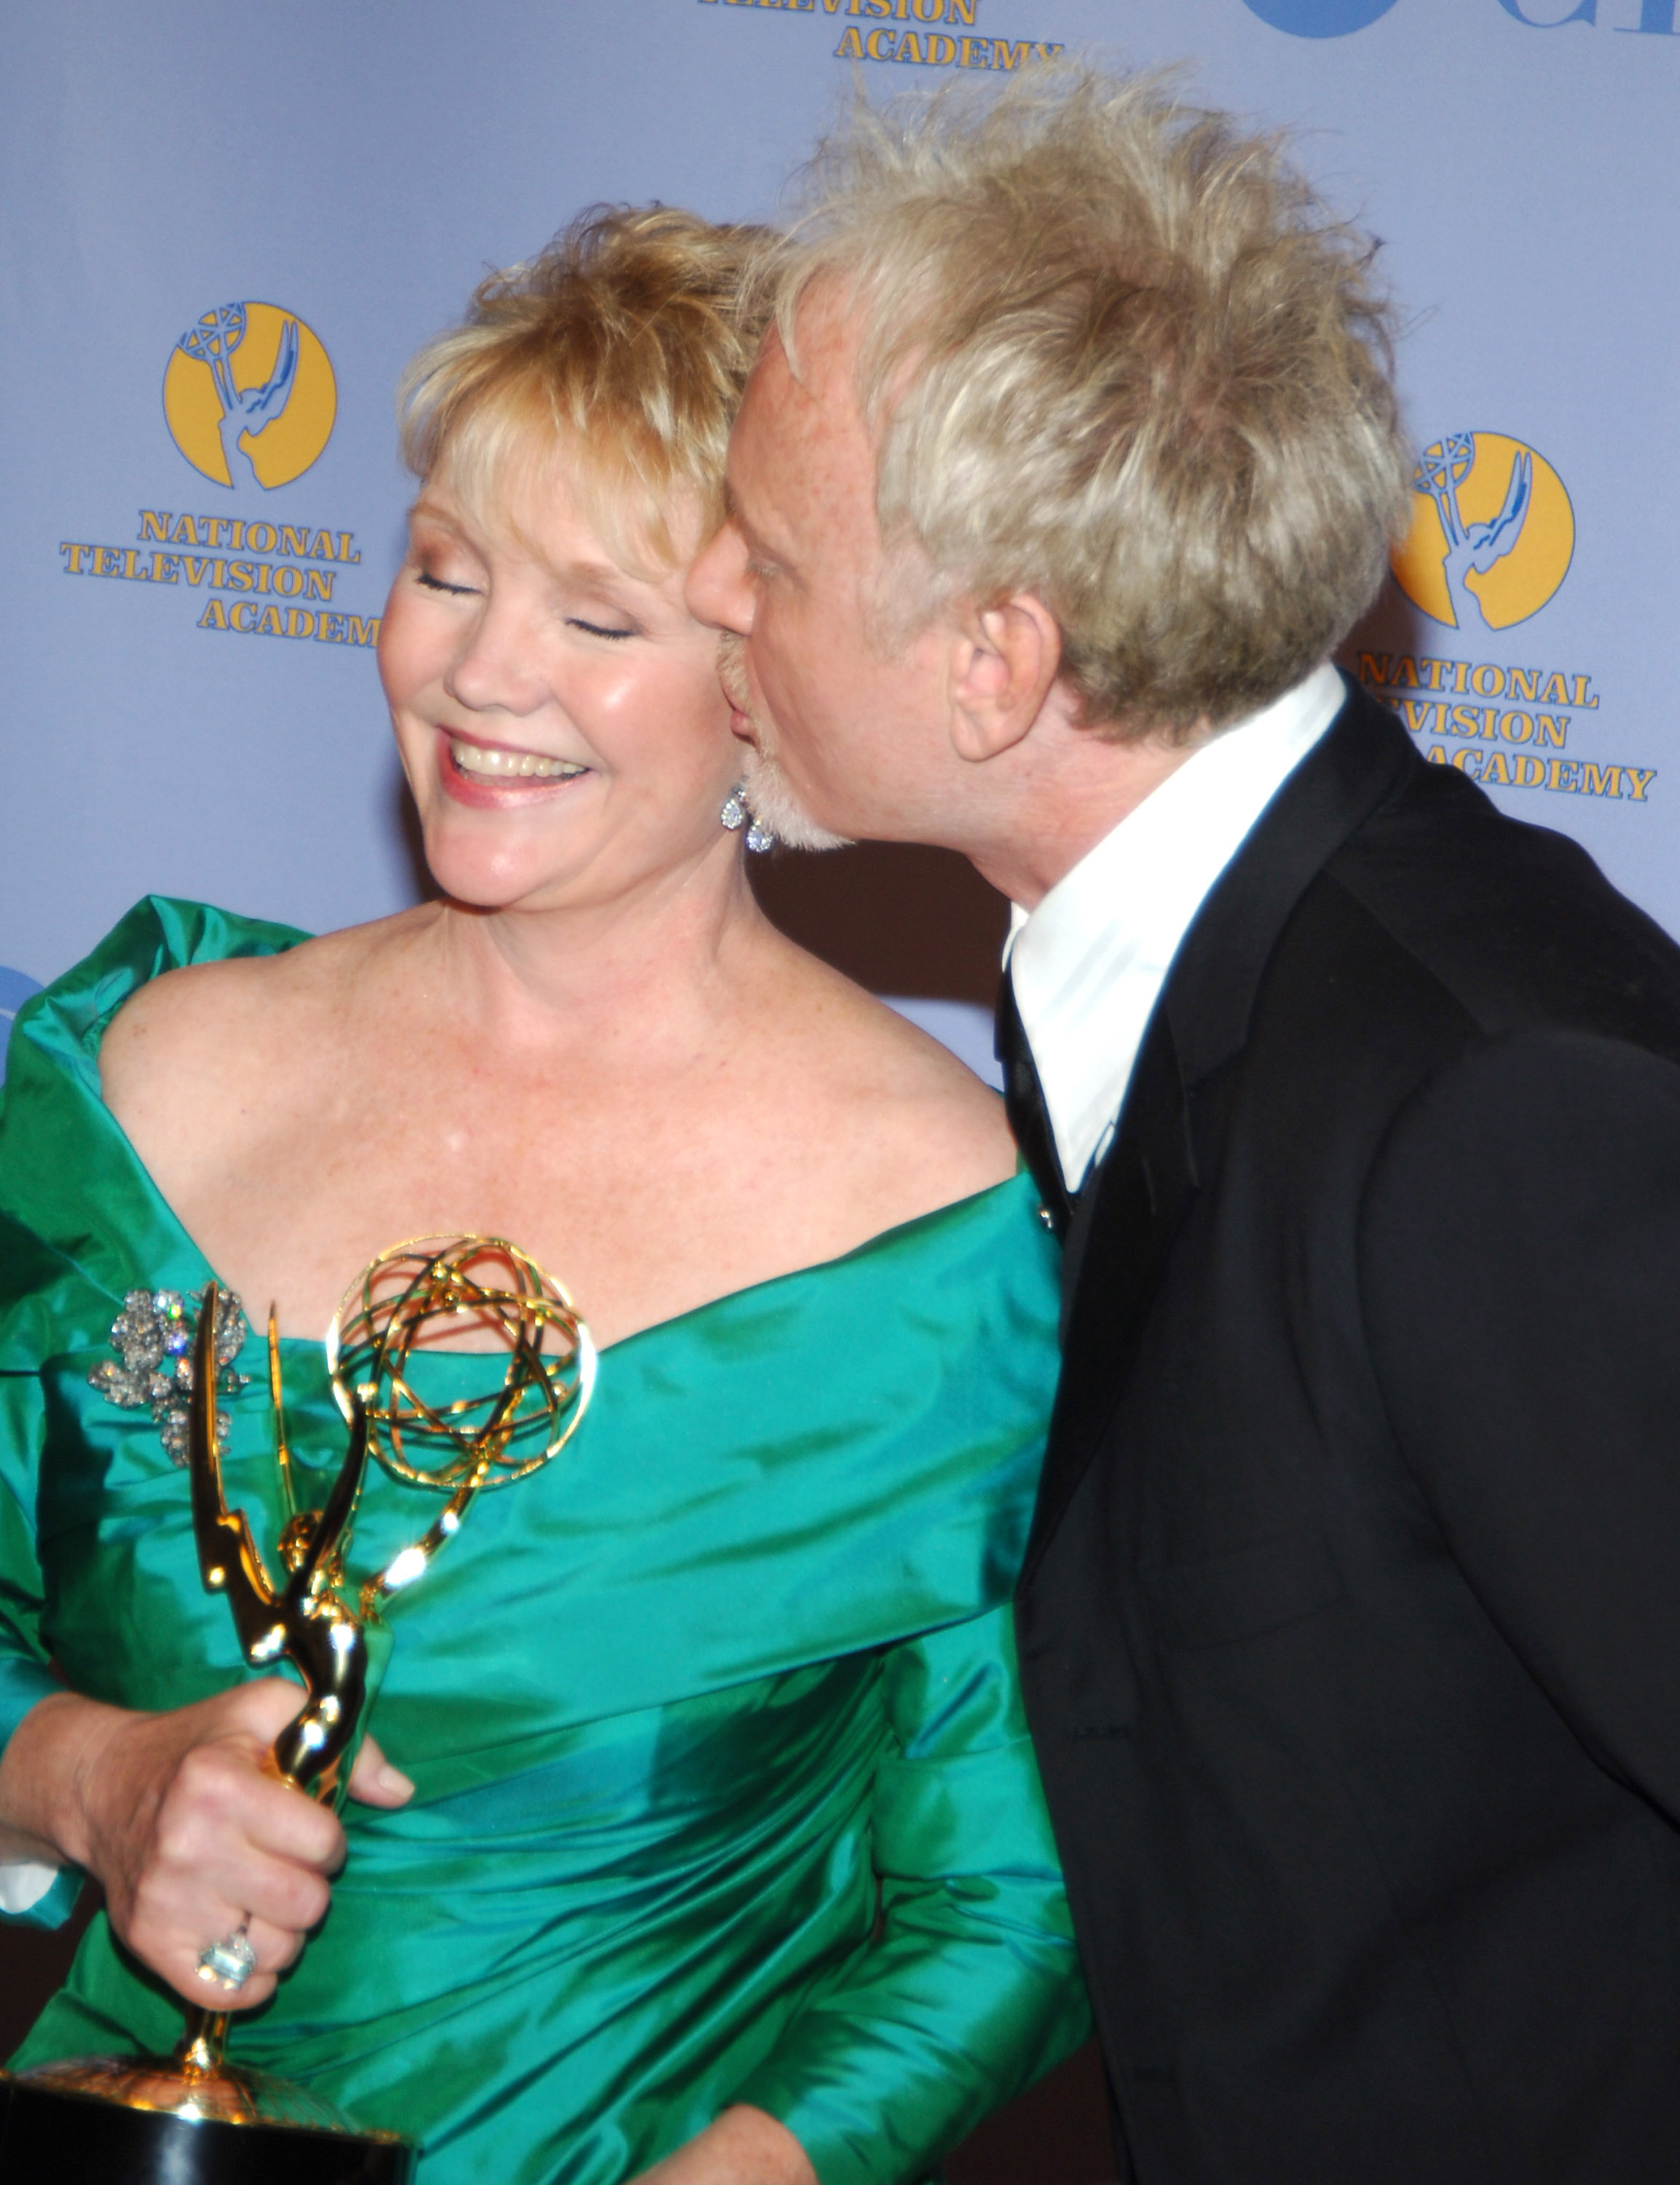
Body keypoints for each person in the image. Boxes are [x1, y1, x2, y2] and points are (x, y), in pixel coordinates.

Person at [0, 206, 1089, 2185]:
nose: (481, 674)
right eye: (445, 572)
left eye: (598, 619)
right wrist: (89, 1777)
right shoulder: (135, 1076)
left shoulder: (948, 1253)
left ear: (766, 681)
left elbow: (1004, 1908)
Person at [686, 65, 1680, 2185]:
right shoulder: (1170, 980)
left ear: (991, 663)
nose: (704, 596)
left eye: (761, 554)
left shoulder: (1488, 1108)